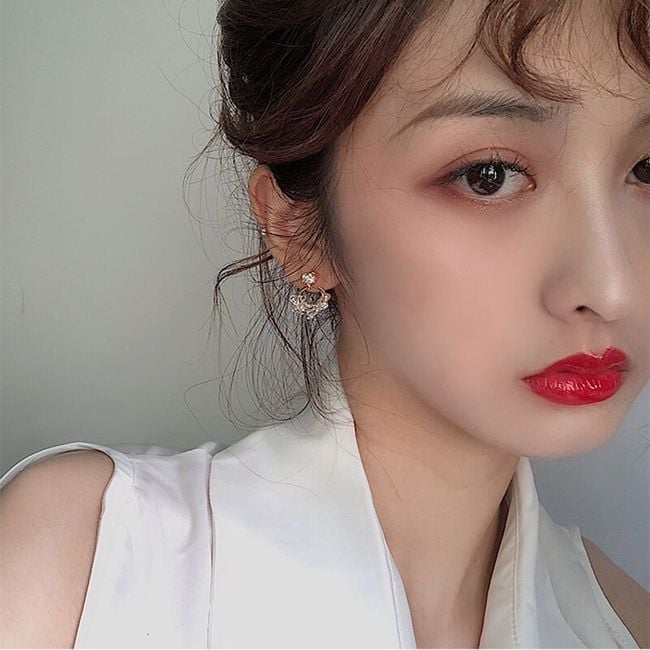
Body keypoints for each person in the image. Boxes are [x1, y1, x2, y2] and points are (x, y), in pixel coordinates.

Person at [1, 0, 649, 647]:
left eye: (646, 169)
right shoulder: (87, 569)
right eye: (489, 176)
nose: (611, 287)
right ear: (297, 230)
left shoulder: (623, 624)